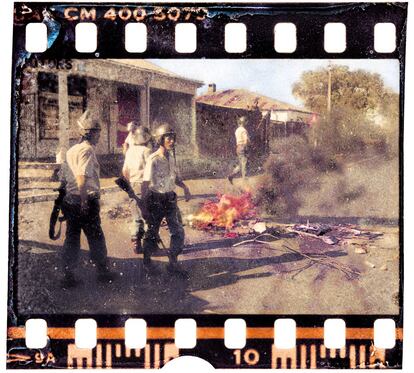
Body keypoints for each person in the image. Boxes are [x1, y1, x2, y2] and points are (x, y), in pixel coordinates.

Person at [60, 110, 116, 288]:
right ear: (88, 133)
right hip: (85, 200)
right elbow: (81, 178)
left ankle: (68, 274)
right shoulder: (87, 150)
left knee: (72, 238)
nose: (99, 135)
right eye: (97, 131)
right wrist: (84, 202)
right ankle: (102, 271)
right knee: (96, 237)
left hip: (70, 200)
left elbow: (65, 177)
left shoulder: (72, 150)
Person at [141, 123, 191, 278]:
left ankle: (173, 262)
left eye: (172, 137)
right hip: (156, 199)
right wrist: (144, 205)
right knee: (152, 232)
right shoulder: (153, 159)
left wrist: (185, 187)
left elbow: (174, 178)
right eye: (168, 137)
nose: (171, 140)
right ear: (160, 139)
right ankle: (147, 262)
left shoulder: (171, 157)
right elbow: (145, 183)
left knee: (178, 231)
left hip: (170, 199)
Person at [122, 126, 152, 254]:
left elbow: (124, 171)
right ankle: (149, 242)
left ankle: (135, 240)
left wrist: (128, 186)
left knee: (136, 216)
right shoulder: (147, 151)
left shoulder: (129, 151)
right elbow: (151, 171)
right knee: (147, 216)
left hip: (132, 185)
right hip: (144, 185)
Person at [228, 116, 250, 184]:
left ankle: (231, 175)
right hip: (243, 147)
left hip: (238, 148)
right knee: (244, 164)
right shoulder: (244, 130)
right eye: (246, 122)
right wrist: (247, 144)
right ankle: (245, 181)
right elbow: (246, 140)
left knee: (240, 165)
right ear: (245, 122)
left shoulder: (237, 130)